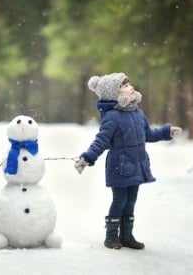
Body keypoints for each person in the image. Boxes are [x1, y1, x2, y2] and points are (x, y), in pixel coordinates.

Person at [74, 72, 182, 250]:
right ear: (115, 95)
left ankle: (127, 235)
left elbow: (149, 134)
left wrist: (166, 132)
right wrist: (87, 157)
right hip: (119, 166)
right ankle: (111, 236)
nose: (131, 87)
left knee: (131, 201)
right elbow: (101, 141)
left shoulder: (138, 113)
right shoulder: (112, 117)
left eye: (129, 84)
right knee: (119, 201)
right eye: (124, 86)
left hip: (137, 166)